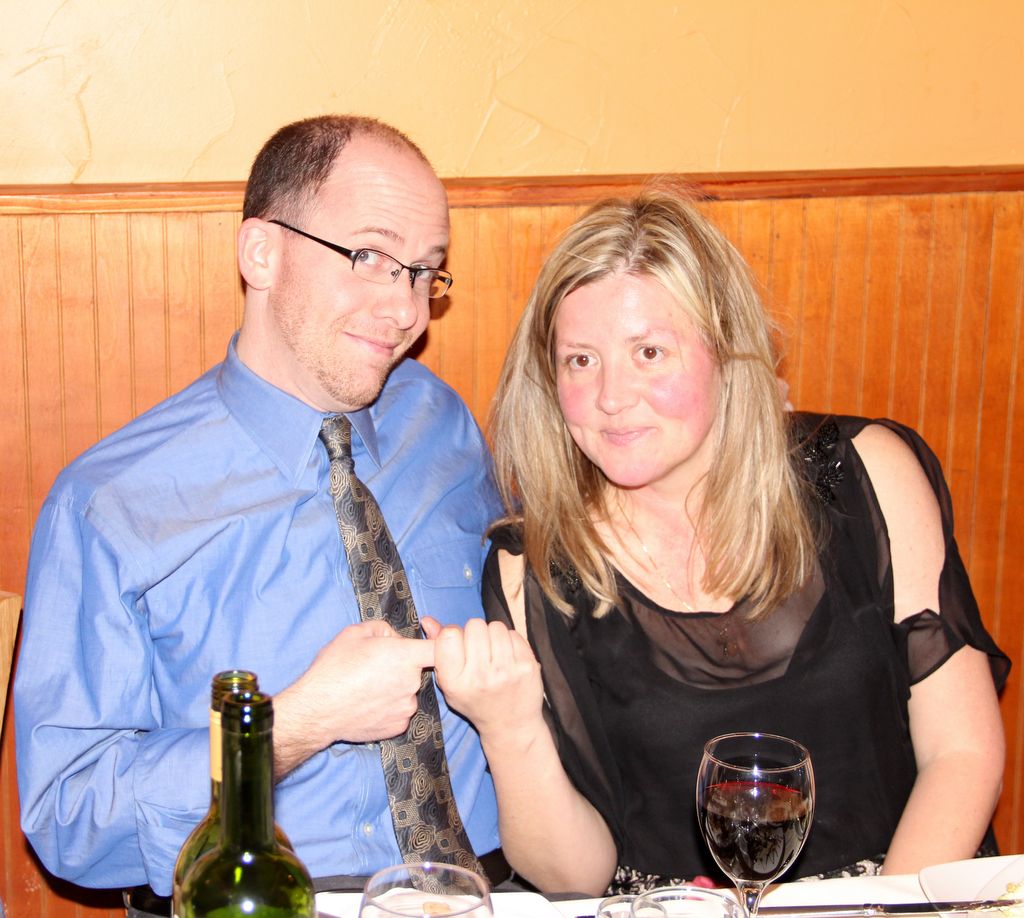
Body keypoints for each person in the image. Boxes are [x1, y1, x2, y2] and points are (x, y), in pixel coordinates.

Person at [430, 190, 1010, 896]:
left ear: (726, 352)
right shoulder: (535, 569)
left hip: (903, 898)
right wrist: (510, 728)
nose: (611, 396)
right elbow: (574, 879)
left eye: (649, 352)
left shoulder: (865, 476)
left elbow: (962, 752)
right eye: (580, 361)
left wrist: (883, 912)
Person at [14, 115, 506, 906]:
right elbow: (69, 818)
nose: (406, 310)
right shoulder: (111, 505)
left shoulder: (440, 424)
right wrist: (297, 722)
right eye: (370, 257)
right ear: (262, 253)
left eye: (424, 272)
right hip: (262, 899)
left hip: (489, 884)